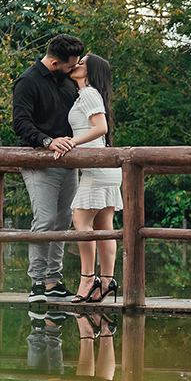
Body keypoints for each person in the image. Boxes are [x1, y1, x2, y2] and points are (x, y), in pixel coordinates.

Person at [13, 33, 86, 304]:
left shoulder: (68, 82)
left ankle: (54, 281)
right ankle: (37, 284)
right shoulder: (28, 82)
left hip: (68, 164)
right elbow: (20, 123)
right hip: (39, 163)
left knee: (63, 221)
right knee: (44, 221)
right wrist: (47, 141)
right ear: (55, 62)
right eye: (70, 65)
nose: (74, 69)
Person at [65, 53, 122, 304]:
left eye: (81, 62)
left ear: (89, 71)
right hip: (103, 167)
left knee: (80, 220)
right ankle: (107, 282)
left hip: (96, 167)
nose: (76, 64)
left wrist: (70, 143)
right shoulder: (88, 94)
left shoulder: (88, 93)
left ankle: (88, 278)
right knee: (104, 227)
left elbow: (101, 128)